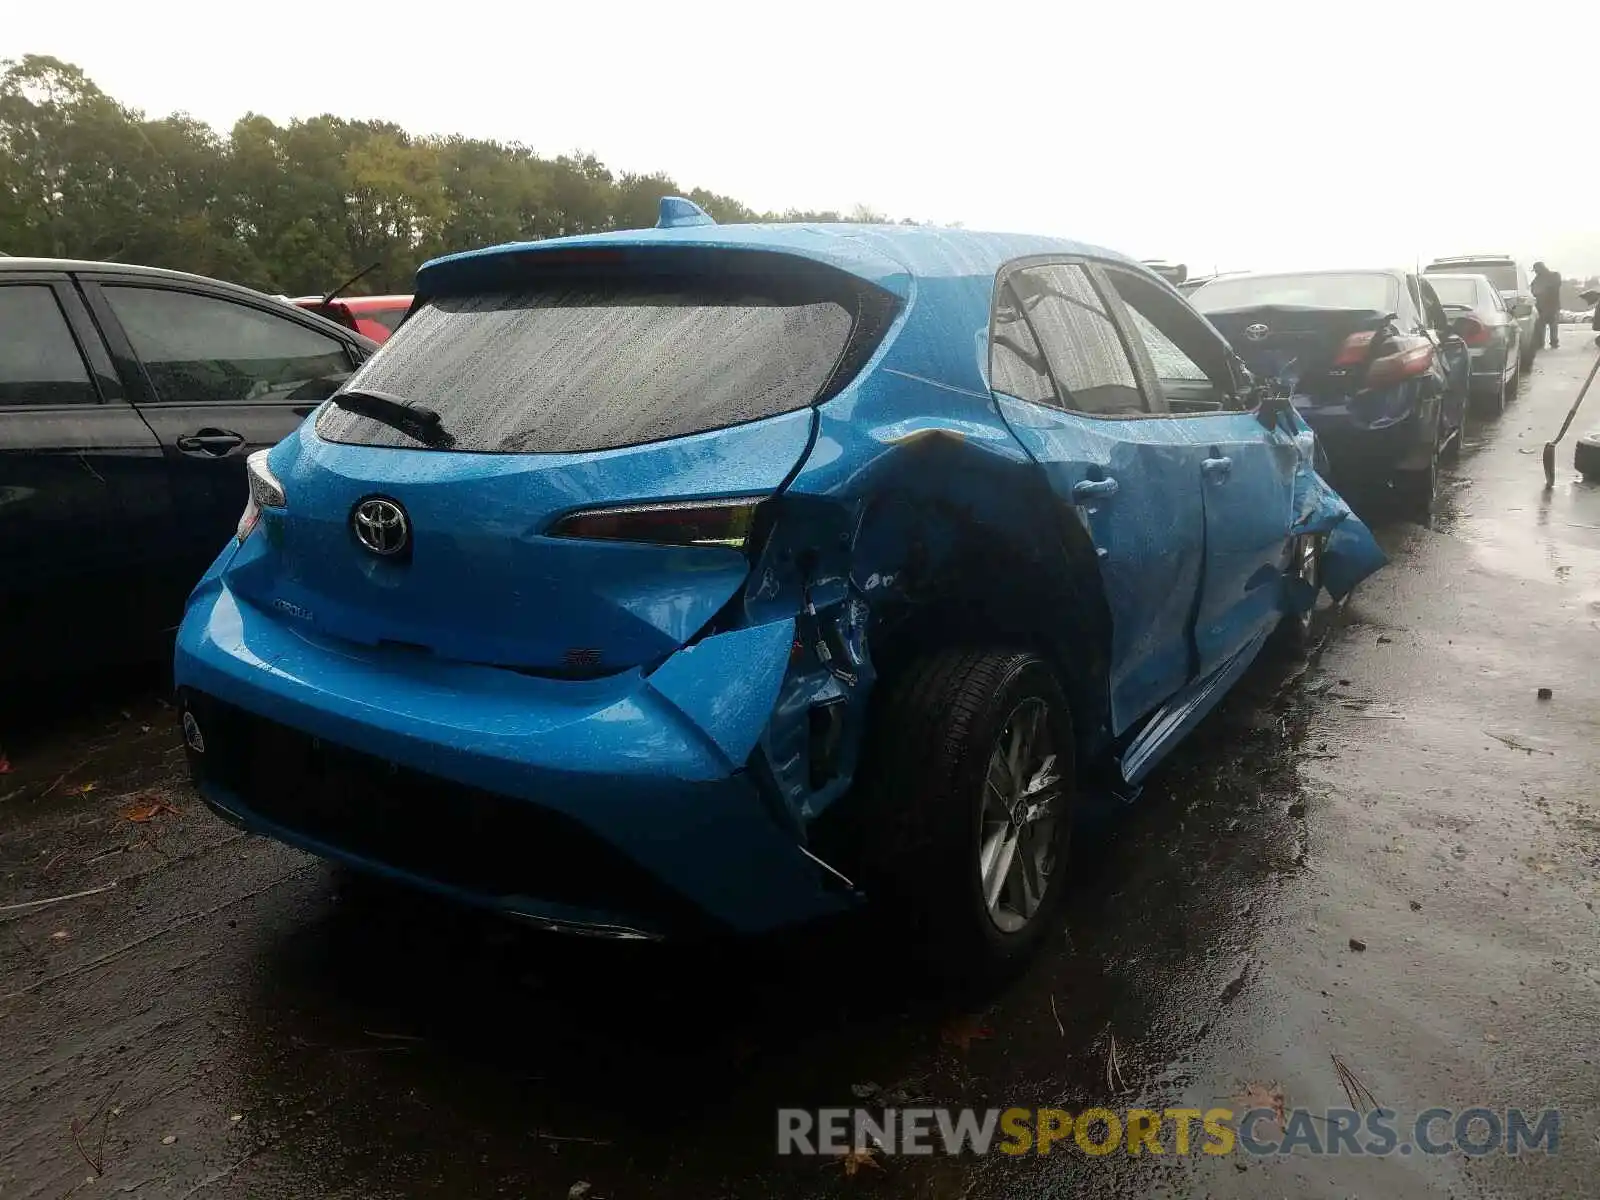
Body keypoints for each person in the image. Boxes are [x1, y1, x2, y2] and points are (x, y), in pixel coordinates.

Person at [1530, 261, 1562, 350]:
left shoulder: (1554, 275)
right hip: (1542, 306)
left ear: (1540, 269)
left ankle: (1553, 342)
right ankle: (1542, 343)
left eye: (1536, 270)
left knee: (1552, 325)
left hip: (1552, 304)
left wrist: (1541, 291)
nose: (1535, 272)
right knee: (1542, 325)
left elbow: (1555, 286)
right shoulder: (1538, 279)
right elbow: (1533, 289)